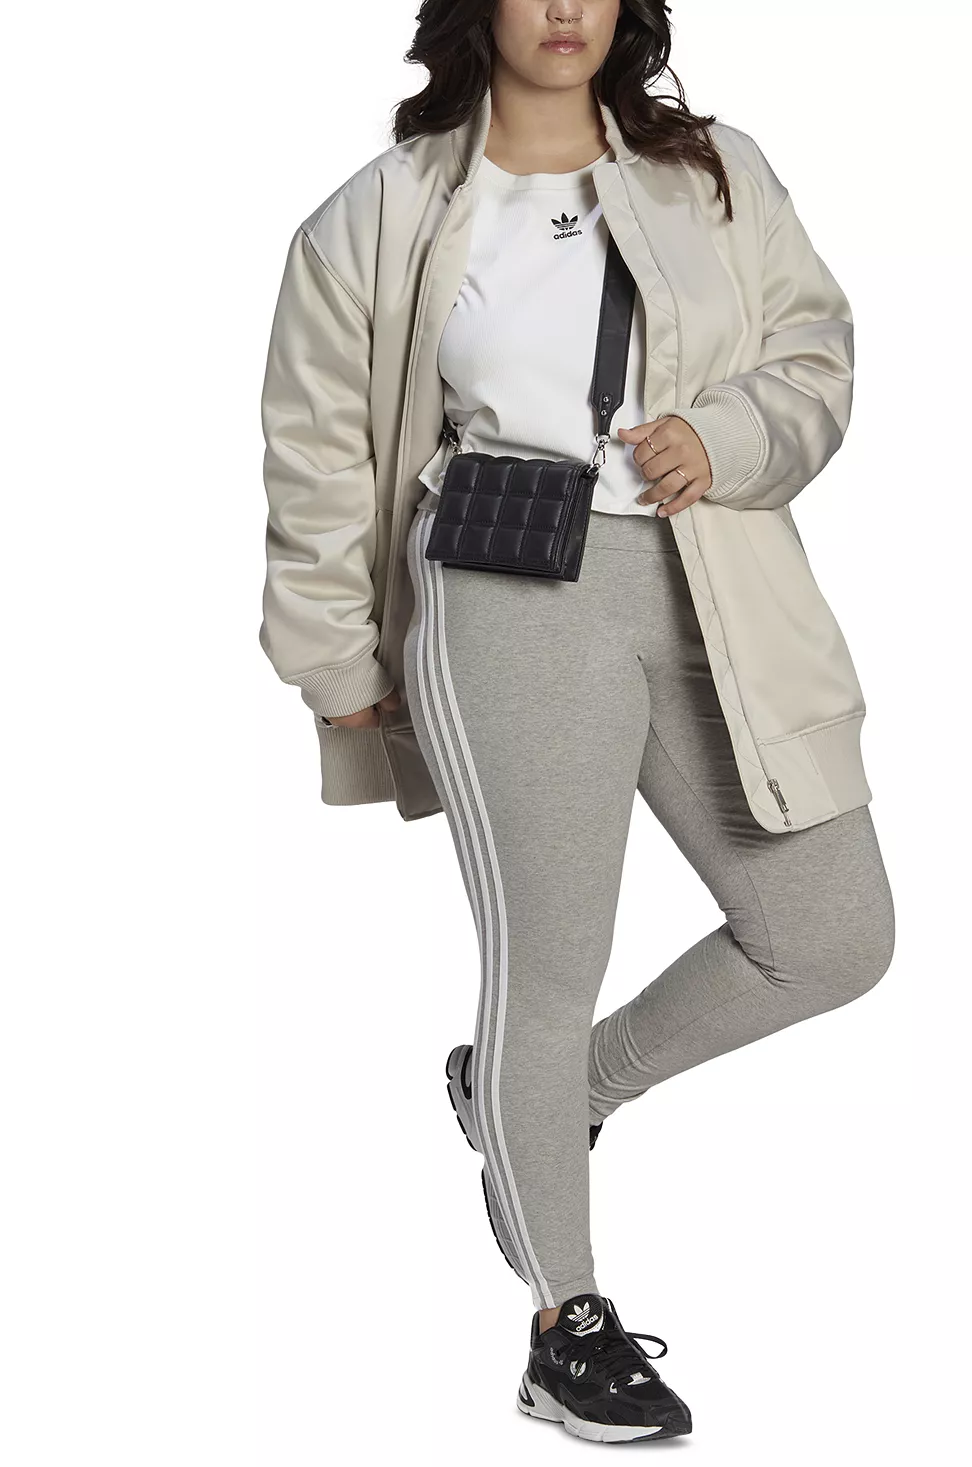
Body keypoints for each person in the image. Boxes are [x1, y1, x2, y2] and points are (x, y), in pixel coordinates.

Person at [259, 0, 895, 1444]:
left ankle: (541, 1094)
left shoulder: (714, 171)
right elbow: (313, 449)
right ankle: (565, 1324)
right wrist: (335, 656)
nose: (564, 9)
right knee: (548, 961)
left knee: (834, 932)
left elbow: (817, 355)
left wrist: (724, 436)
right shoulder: (377, 215)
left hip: (711, 584)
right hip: (504, 592)